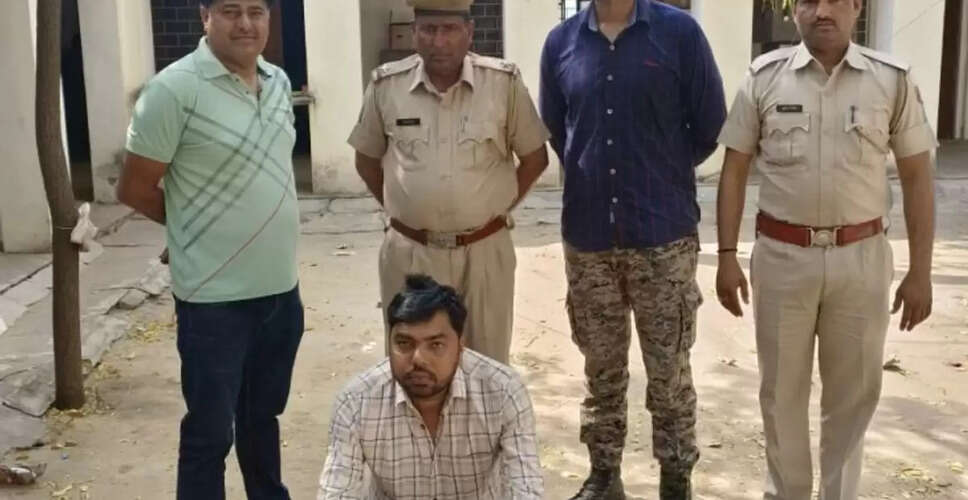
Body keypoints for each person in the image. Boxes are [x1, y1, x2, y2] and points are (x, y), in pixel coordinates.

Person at [714, 1, 937, 498]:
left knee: (853, 396)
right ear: (794, 11)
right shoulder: (763, 78)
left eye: (836, 0)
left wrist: (920, 270)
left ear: (857, 7)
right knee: (781, 395)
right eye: (810, 2)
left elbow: (918, 176)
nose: (823, 12)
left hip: (861, 260)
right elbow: (734, 169)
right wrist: (726, 256)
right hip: (782, 259)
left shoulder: (891, 80)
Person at [117, 1, 304, 498]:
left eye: (256, 11)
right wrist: (188, 225)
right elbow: (134, 188)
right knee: (209, 432)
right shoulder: (172, 90)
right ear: (205, 16)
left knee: (263, 418)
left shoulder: (279, 82)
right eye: (230, 11)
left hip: (281, 291)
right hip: (213, 301)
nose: (245, 23)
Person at [539, 0, 726, 498]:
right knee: (600, 369)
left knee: (669, 371)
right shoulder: (561, 44)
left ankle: (675, 478)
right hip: (588, 236)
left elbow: (710, 126)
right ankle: (604, 476)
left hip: (662, 236)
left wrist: (660, 166)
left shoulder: (679, 33)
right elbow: (559, 131)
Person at [348, 0, 551, 364]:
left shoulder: (503, 84)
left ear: (469, 33)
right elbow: (366, 160)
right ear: (414, 34)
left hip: (484, 252)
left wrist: (493, 210)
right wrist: (407, 209)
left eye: (449, 29)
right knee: (416, 367)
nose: (438, 41)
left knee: (486, 364)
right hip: (410, 253)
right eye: (428, 30)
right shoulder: (387, 86)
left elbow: (535, 158)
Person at [317, 274, 543, 499]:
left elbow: (526, 489)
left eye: (436, 345)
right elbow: (336, 492)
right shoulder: (356, 402)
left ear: (460, 344)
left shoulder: (504, 392)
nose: (418, 359)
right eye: (404, 343)